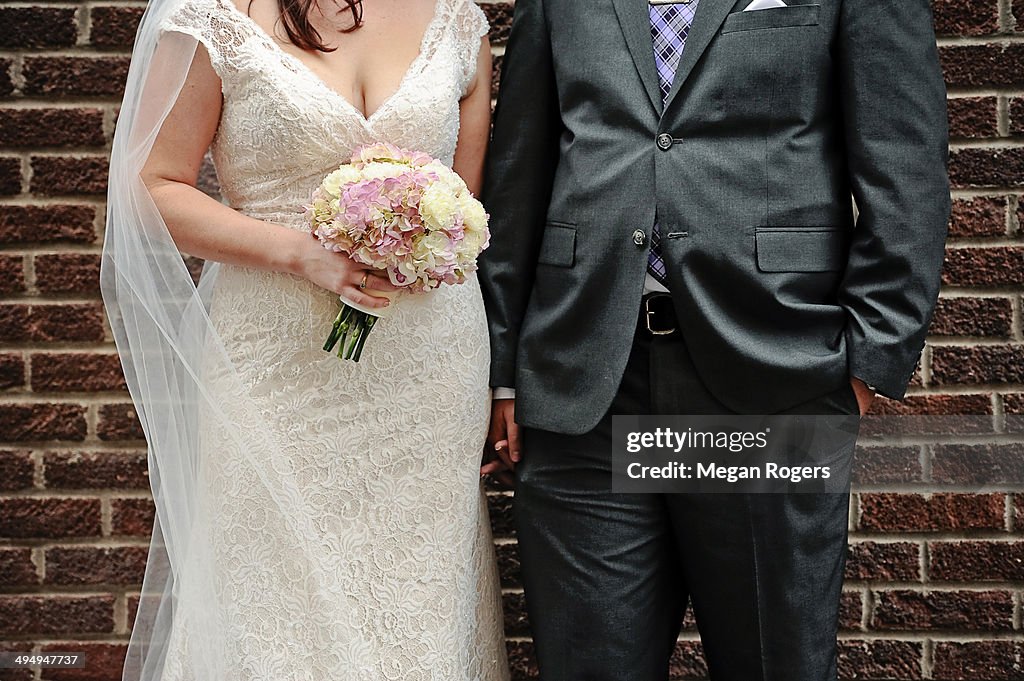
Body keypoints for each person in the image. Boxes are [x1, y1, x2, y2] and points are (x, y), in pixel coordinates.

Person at [480, 1, 950, 679]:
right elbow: (519, 169)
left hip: (772, 378)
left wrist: (866, 366)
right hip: (584, 381)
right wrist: (505, 367)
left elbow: (905, 168)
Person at [100, 0, 509, 678]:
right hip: (273, 357)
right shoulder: (209, 15)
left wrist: (413, 233)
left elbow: (465, 204)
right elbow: (152, 188)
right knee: (269, 583)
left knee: (419, 591)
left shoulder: (459, 21)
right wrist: (301, 254)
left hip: (427, 365)